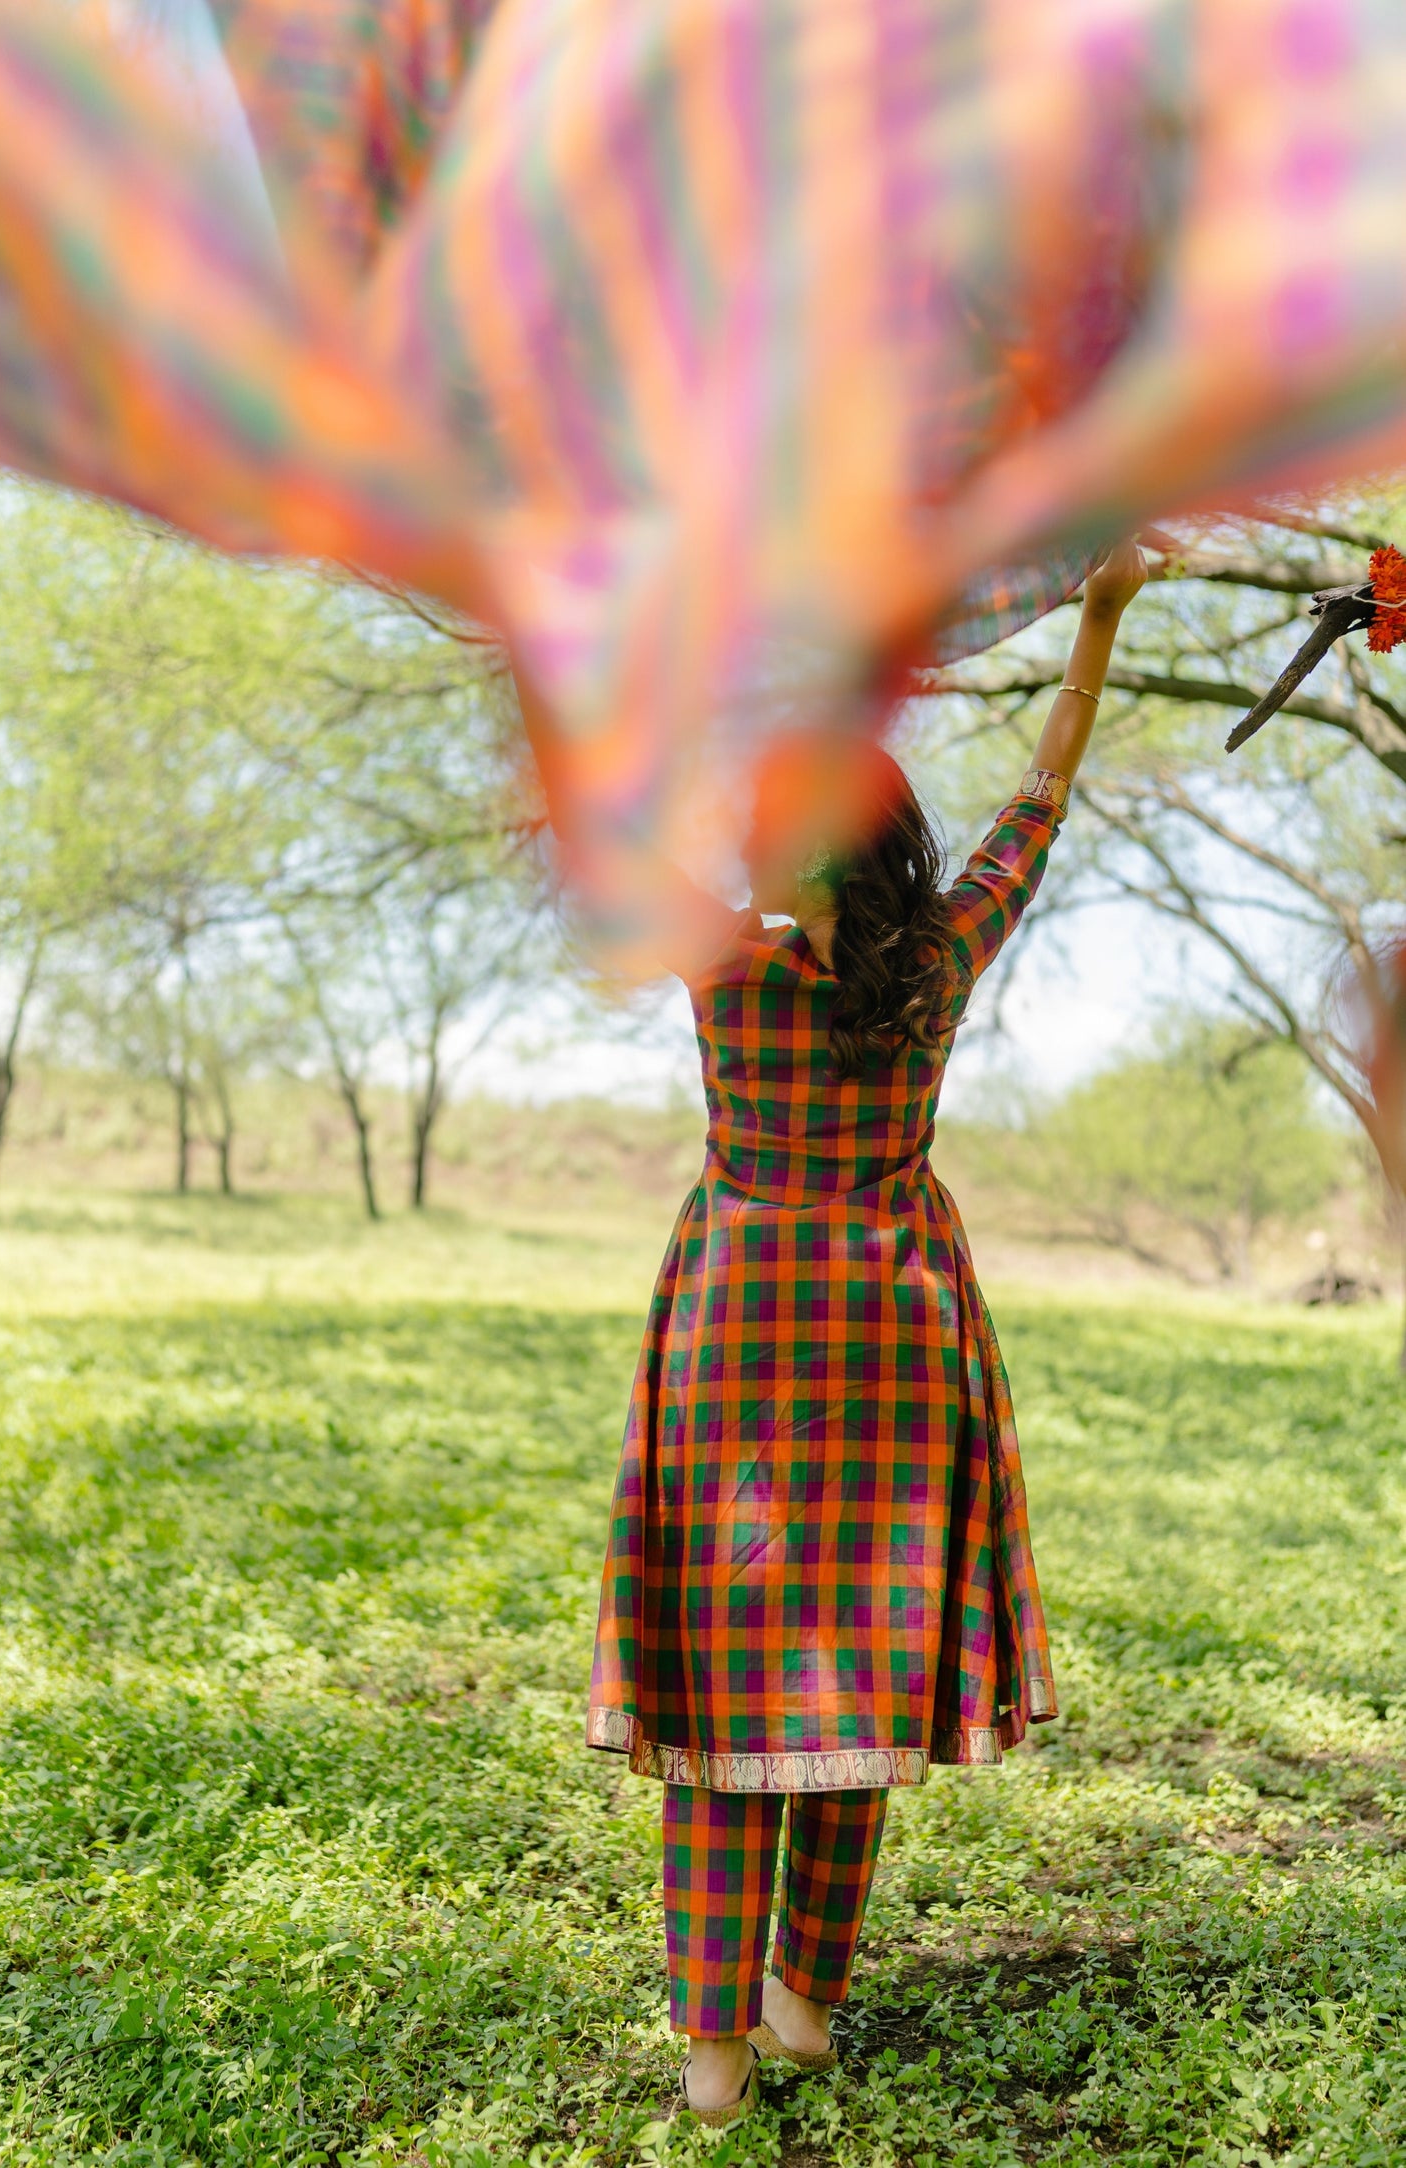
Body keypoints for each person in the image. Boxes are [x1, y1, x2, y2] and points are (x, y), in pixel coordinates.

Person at [586, 540, 1149, 2123]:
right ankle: (804, 2003)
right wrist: (1098, 617)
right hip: (891, 1343)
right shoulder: (936, 967)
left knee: (722, 1693)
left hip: (736, 1338)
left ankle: (712, 2056)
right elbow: (1039, 802)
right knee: (851, 1677)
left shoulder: (720, 959)